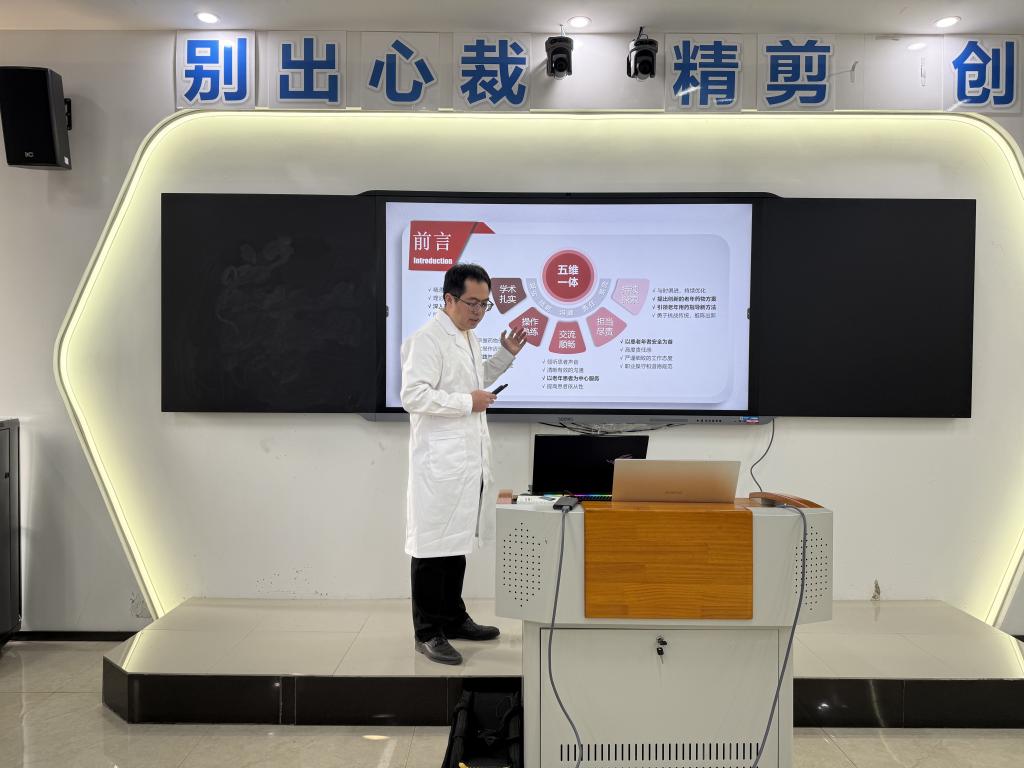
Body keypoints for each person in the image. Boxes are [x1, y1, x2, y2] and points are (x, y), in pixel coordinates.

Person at [401, 263, 528, 665]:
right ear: (449, 298)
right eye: (472, 303)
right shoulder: (427, 339)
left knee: (456, 544)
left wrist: (505, 356)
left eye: (484, 304)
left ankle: (453, 619)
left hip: (466, 462)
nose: (478, 312)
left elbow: (472, 382)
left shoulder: (467, 336)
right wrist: (465, 403)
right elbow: (413, 395)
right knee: (431, 548)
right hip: (438, 466)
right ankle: (427, 632)